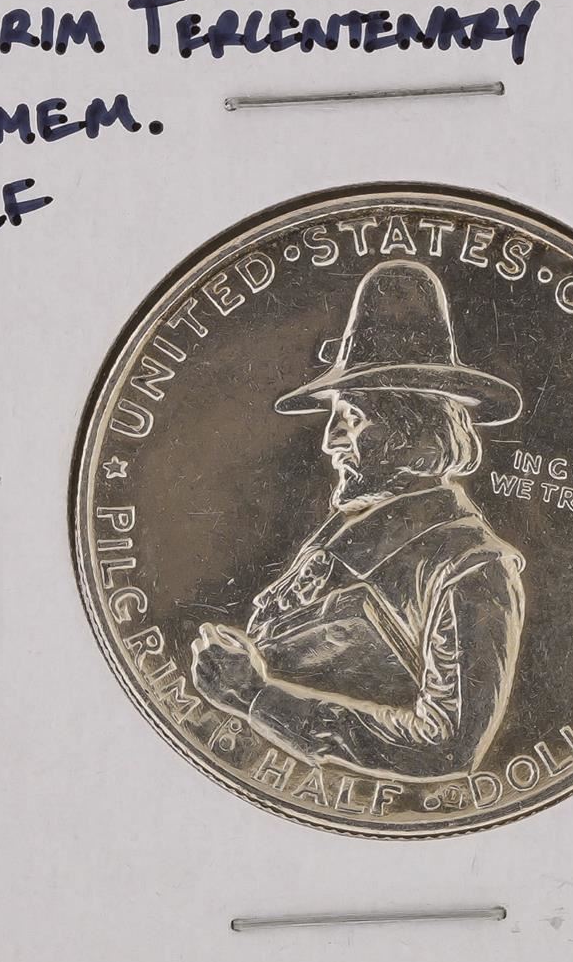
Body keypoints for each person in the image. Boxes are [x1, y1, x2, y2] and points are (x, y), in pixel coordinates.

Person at [191, 259, 526, 781]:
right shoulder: (342, 531)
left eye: (351, 417)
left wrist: (257, 699)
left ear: (412, 428)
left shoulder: (470, 566)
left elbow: (449, 748)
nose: (330, 441)